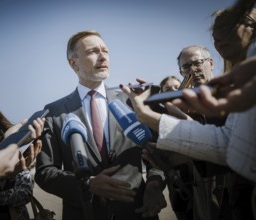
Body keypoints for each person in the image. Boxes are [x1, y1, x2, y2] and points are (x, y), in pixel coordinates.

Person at [119, 4, 256, 220]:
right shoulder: (180, 102)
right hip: (198, 194)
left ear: (210, 62)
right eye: (186, 67)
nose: (192, 69)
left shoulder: (239, 89)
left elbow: (232, 143)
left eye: (197, 63)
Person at [34, 30, 166, 220]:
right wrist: (87, 184)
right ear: (74, 63)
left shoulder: (132, 102)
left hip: (137, 211)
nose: (103, 56)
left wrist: (155, 183)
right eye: (92, 52)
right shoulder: (55, 112)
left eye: (105, 50)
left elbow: (157, 154)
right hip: (84, 212)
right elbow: (45, 172)